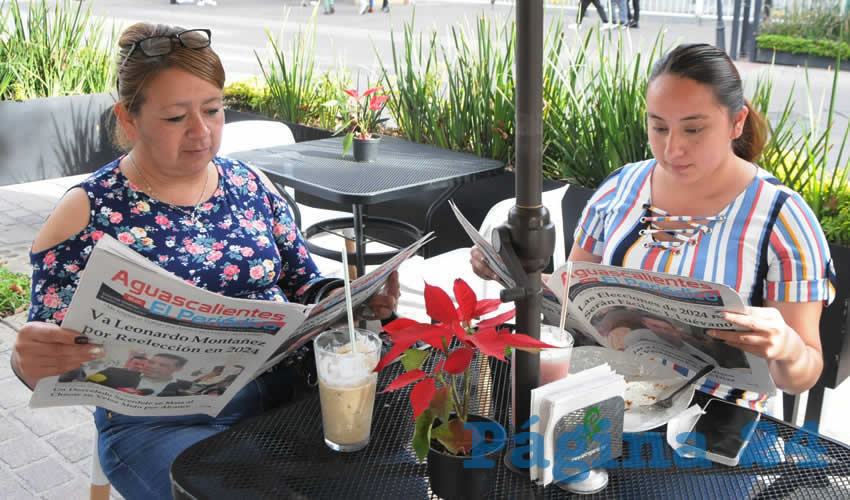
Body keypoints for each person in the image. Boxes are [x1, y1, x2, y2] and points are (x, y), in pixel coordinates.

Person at [11, 22, 400, 499]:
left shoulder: (248, 184)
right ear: (129, 119)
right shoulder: (88, 209)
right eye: (176, 118)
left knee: (399, 465)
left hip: (289, 395)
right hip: (161, 423)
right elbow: (48, 354)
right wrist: (29, 360)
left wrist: (350, 300)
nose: (202, 133)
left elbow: (304, 283)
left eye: (213, 110)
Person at [472, 43, 835, 411]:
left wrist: (786, 347)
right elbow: (572, 304)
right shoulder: (620, 188)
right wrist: (516, 270)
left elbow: (803, 374)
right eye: (658, 127)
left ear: (736, 122)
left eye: (693, 129)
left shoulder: (783, 217)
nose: (672, 148)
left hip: (718, 423)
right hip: (610, 402)